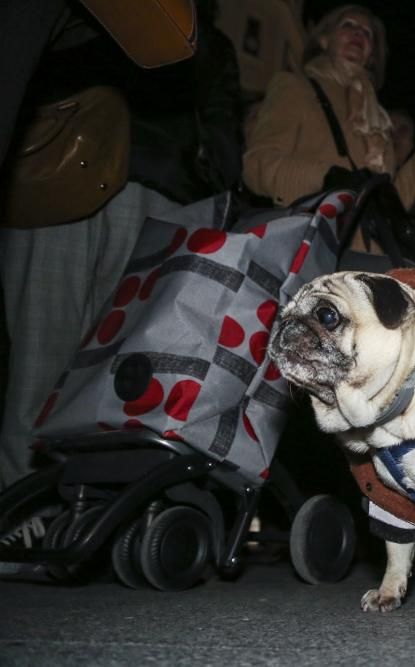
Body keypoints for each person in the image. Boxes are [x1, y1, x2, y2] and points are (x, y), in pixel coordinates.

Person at [0, 0, 243, 489]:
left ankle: (94, 508)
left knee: (122, 378)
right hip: (59, 171)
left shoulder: (208, 40)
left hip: (160, 190)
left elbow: (222, 130)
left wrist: (209, 198)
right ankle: (20, 500)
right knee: (40, 355)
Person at [243, 3, 402, 208]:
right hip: (310, 229)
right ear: (324, 40)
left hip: (363, 238)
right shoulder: (295, 87)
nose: (358, 33)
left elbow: (396, 199)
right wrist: (327, 179)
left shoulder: (379, 123)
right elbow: (257, 165)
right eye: (348, 25)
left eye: (366, 33)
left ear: (371, 57)